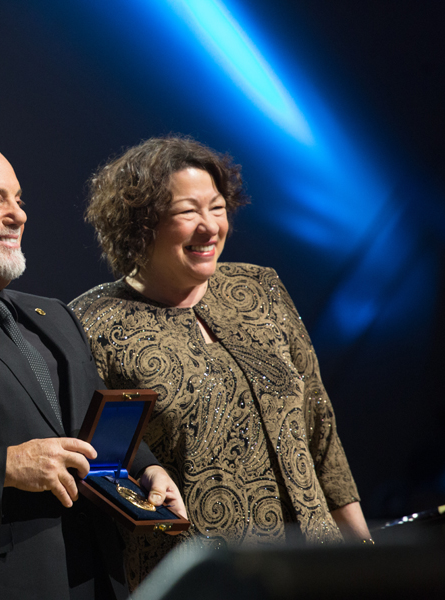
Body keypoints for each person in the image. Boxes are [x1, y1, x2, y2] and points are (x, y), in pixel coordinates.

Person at [70, 136, 372, 588]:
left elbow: (321, 434)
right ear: (141, 224)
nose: (210, 227)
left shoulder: (260, 288)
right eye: (188, 212)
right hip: (202, 579)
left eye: (217, 207)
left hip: (317, 567)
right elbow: (101, 471)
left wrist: (364, 556)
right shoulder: (92, 325)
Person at [0, 141, 186, 600]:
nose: (18, 215)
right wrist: (5, 467)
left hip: (100, 578)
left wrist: (147, 468)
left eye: (18, 199)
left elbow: (92, 425)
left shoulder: (52, 314)